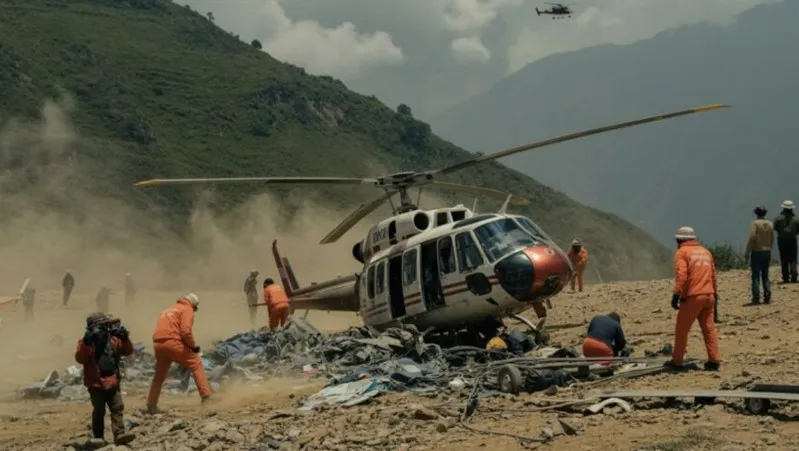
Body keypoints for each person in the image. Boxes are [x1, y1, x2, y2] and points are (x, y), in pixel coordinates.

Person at [74, 313, 136, 446]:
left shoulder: (113, 339)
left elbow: (128, 350)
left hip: (112, 379)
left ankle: (119, 433)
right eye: (99, 327)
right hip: (95, 383)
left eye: (104, 326)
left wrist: (125, 337)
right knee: (99, 410)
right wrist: (86, 342)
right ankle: (98, 437)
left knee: (117, 407)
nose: (102, 330)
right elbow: (80, 358)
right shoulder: (87, 343)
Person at [666, 226, 721, 371]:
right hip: (709, 296)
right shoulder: (705, 252)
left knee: (682, 329)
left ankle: (677, 361)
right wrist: (715, 294)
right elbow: (713, 275)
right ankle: (714, 360)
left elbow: (682, 276)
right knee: (708, 329)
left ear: (681, 239)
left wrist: (676, 294)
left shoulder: (682, 253)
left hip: (693, 297)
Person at [146, 294, 212, 414]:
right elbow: (186, 332)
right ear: (193, 304)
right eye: (195, 308)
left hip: (158, 344)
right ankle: (206, 397)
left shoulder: (168, 309)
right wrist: (193, 346)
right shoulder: (187, 309)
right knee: (196, 363)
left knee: (159, 377)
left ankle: (151, 405)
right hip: (173, 343)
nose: (195, 311)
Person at [744, 205, 774, 304]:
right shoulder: (770, 223)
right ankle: (767, 296)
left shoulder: (755, 224)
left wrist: (747, 251)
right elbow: (772, 238)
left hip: (757, 251)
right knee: (765, 275)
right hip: (767, 251)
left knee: (756, 275)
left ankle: (756, 297)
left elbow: (752, 237)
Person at [773, 200, 799, 283]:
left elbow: (774, 227)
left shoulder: (778, 218)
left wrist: (781, 232)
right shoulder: (796, 218)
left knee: (784, 258)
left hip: (782, 240)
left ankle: (785, 277)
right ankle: (794, 274)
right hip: (792, 240)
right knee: (793, 258)